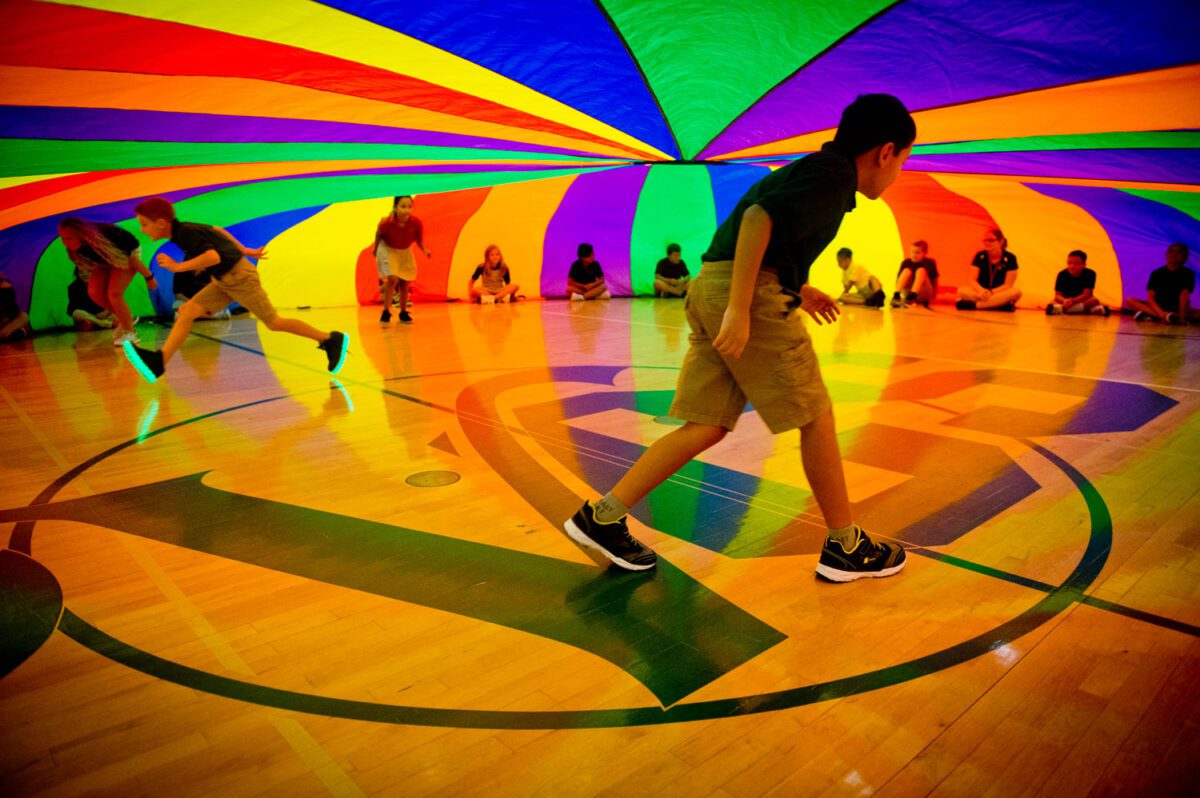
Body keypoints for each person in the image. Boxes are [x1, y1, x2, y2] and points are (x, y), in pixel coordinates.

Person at [561, 94, 915, 581]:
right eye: (904, 160)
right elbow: (757, 219)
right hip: (742, 292)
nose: (900, 171)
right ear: (885, 151)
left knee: (707, 424)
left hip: (711, 283)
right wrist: (741, 308)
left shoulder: (814, 169)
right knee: (815, 414)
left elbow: (770, 233)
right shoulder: (834, 175)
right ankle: (845, 546)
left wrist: (800, 286)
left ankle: (601, 517)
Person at [122, 196, 348, 383]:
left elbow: (212, 256)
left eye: (144, 224)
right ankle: (159, 362)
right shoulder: (186, 230)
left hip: (240, 278)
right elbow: (217, 230)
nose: (142, 229)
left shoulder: (185, 232)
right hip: (225, 280)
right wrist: (245, 250)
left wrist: (177, 266)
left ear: (161, 223)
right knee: (187, 311)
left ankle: (330, 338)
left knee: (274, 323)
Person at [58, 217, 157, 345]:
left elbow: (133, 261)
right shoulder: (77, 248)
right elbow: (94, 265)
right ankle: (126, 319)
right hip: (105, 259)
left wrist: (149, 278)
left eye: (69, 238)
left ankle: (130, 333)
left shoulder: (104, 239)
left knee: (114, 293)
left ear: (80, 235)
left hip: (125, 254)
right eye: (62, 238)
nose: (65, 242)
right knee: (94, 292)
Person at [374, 195, 430, 325]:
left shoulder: (415, 222)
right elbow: (378, 235)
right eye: (403, 206)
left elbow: (419, 239)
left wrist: (424, 250)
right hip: (389, 250)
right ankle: (386, 311)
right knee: (393, 278)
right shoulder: (386, 223)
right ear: (395, 208)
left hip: (405, 251)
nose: (407, 210)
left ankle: (403, 312)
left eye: (410, 207)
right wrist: (376, 249)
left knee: (405, 282)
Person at [1126, 243, 1198, 324]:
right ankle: (1168, 317)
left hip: (1177, 308)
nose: (1173, 254)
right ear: (1166, 255)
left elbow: (1183, 297)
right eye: (1171, 251)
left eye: (1178, 252)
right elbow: (1151, 299)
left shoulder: (1188, 274)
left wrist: (1182, 317)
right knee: (1130, 300)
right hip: (1159, 307)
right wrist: (1162, 315)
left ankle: (1152, 316)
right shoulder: (1157, 273)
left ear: (1185, 258)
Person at [957, 229, 1021, 311]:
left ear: (1001, 241)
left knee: (1016, 293)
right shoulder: (980, 256)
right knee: (961, 291)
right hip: (980, 292)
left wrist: (991, 292)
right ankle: (999, 305)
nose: (987, 243)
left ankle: (975, 306)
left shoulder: (1010, 258)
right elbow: (972, 280)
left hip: (998, 292)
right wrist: (981, 291)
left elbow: (1008, 285)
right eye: (985, 240)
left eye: (991, 240)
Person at [1047, 250, 1109, 316]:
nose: (1072, 266)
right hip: (1065, 300)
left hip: (1081, 300)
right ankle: (1091, 310)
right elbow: (1057, 295)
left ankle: (1061, 309)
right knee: (1052, 302)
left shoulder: (1090, 274)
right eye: (1069, 263)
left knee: (1094, 300)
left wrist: (1073, 301)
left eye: (1076, 264)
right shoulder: (1062, 274)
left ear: (1084, 265)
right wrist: (1064, 300)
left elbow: (1087, 294)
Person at [66, 265, 115, 331]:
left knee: (118, 314)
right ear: (77, 273)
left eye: (89, 271)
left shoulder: (103, 284)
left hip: (102, 316)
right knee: (77, 313)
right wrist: (92, 318)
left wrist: (105, 312)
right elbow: (71, 310)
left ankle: (102, 323)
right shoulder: (73, 287)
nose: (85, 274)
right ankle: (100, 323)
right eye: (81, 272)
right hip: (87, 318)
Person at [891, 240, 938, 307]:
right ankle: (896, 296)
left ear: (924, 253)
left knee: (921, 271)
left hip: (923, 292)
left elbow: (935, 280)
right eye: (912, 252)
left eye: (917, 253)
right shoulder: (906, 262)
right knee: (907, 270)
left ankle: (912, 296)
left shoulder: (929, 263)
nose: (914, 255)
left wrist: (934, 296)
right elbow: (899, 279)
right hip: (908, 292)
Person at [0, 271, 31, 342]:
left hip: (6, 324)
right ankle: (8, 335)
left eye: (1, 280)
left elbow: (14, 311)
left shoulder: (7, 291)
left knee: (24, 316)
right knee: (21, 332)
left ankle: (4, 335)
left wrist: (6, 290)